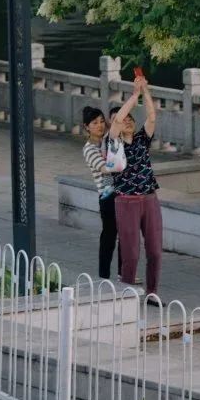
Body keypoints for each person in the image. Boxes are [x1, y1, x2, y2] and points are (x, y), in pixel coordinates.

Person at [109, 69, 163, 297]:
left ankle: (152, 292)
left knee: (155, 251)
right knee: (130, 253)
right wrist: (134, 95)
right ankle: (127, 293)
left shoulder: (142, 139)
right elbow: (119, 118)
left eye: (131, 119)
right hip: (127, 201)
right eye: (124, 120)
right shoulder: (113, 144)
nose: (127, 122)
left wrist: (145, 90)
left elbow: (151, 116)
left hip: (149, 198)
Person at [81, 104, 118, 281]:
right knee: (109, 238)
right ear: (86, 127)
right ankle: (104, 275)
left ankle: (123, 274)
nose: (100, 125)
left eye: (102, 121)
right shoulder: (89, 149)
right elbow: (105, 169)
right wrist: (121, 163)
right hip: (107, 197)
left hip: (120, 193)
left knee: (125, 235)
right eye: (94, 122)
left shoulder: (108, 141)